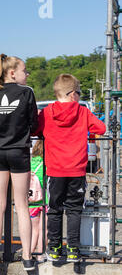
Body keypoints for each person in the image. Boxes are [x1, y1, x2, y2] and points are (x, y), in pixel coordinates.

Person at [36, 74, 106, 262]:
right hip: (76, 169)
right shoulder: (83, 112)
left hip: (55, 170)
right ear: (73, 94)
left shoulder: (47, 112)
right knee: (74, 210)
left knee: (54, 209)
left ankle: (54, 248)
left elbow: (34, 130)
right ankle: (73, 248)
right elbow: (102, 128)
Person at [0, 54, 38, 271]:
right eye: (25, 71)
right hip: (19, 151)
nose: (27, 74)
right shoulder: (27, 93)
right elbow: (33, 124)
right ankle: (27, 256)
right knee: (22, 205)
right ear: (12, 72)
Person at [29, 139, 48, 262]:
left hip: (32, 200)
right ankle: (41, 253)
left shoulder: (31, 162)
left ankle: (29, 252)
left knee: (34, 229)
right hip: (45, 198)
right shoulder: (47, 163)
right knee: (44, 229)